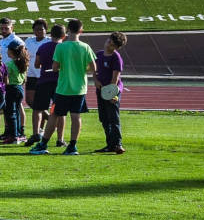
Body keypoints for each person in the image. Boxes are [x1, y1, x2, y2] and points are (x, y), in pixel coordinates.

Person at [37, 19, 94, 156]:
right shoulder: (85, 47)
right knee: (76, 116)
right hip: (79, 88)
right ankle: (72, 146)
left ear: (68, 29)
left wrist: (64, 67)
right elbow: (93, 68)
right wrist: (80, 68)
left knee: (54, 114)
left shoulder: (61, 47)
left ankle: (43, 143)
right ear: (81, 30)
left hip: (63, 88)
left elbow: (55, 68)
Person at [95, 30, 129, 155]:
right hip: (101, 90)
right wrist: (95, 80)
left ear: (116, 47)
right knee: (103, 118)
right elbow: (94, 70)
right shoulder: (98, 55)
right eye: (109, 41)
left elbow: (115, 78)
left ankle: (118, 144)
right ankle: (110, 144)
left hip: (112, 91)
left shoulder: (116, 58)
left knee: (113, 117)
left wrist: (111, 94)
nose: (108, 45)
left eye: (112, 44)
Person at [27, 25, 60, 147]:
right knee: (59, 111)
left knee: (37, 108)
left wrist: (45, 67)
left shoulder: (43, 46)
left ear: (49, 34)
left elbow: (36, 64)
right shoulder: (63, 47)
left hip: (44, 80)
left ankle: (36, 133)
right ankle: (60, 138)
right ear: (63, 35)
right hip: (59, 82)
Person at [2, 39, 29, 144]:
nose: (7, 52)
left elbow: (6, 80)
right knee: (16, 111)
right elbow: (24, 79)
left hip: (11, 89)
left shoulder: (9, 64)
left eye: (8, 50)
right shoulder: (23, 62)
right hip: (19, 88)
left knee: (10, 113)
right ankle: (18, 134)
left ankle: (13, 136)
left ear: (12, 51)